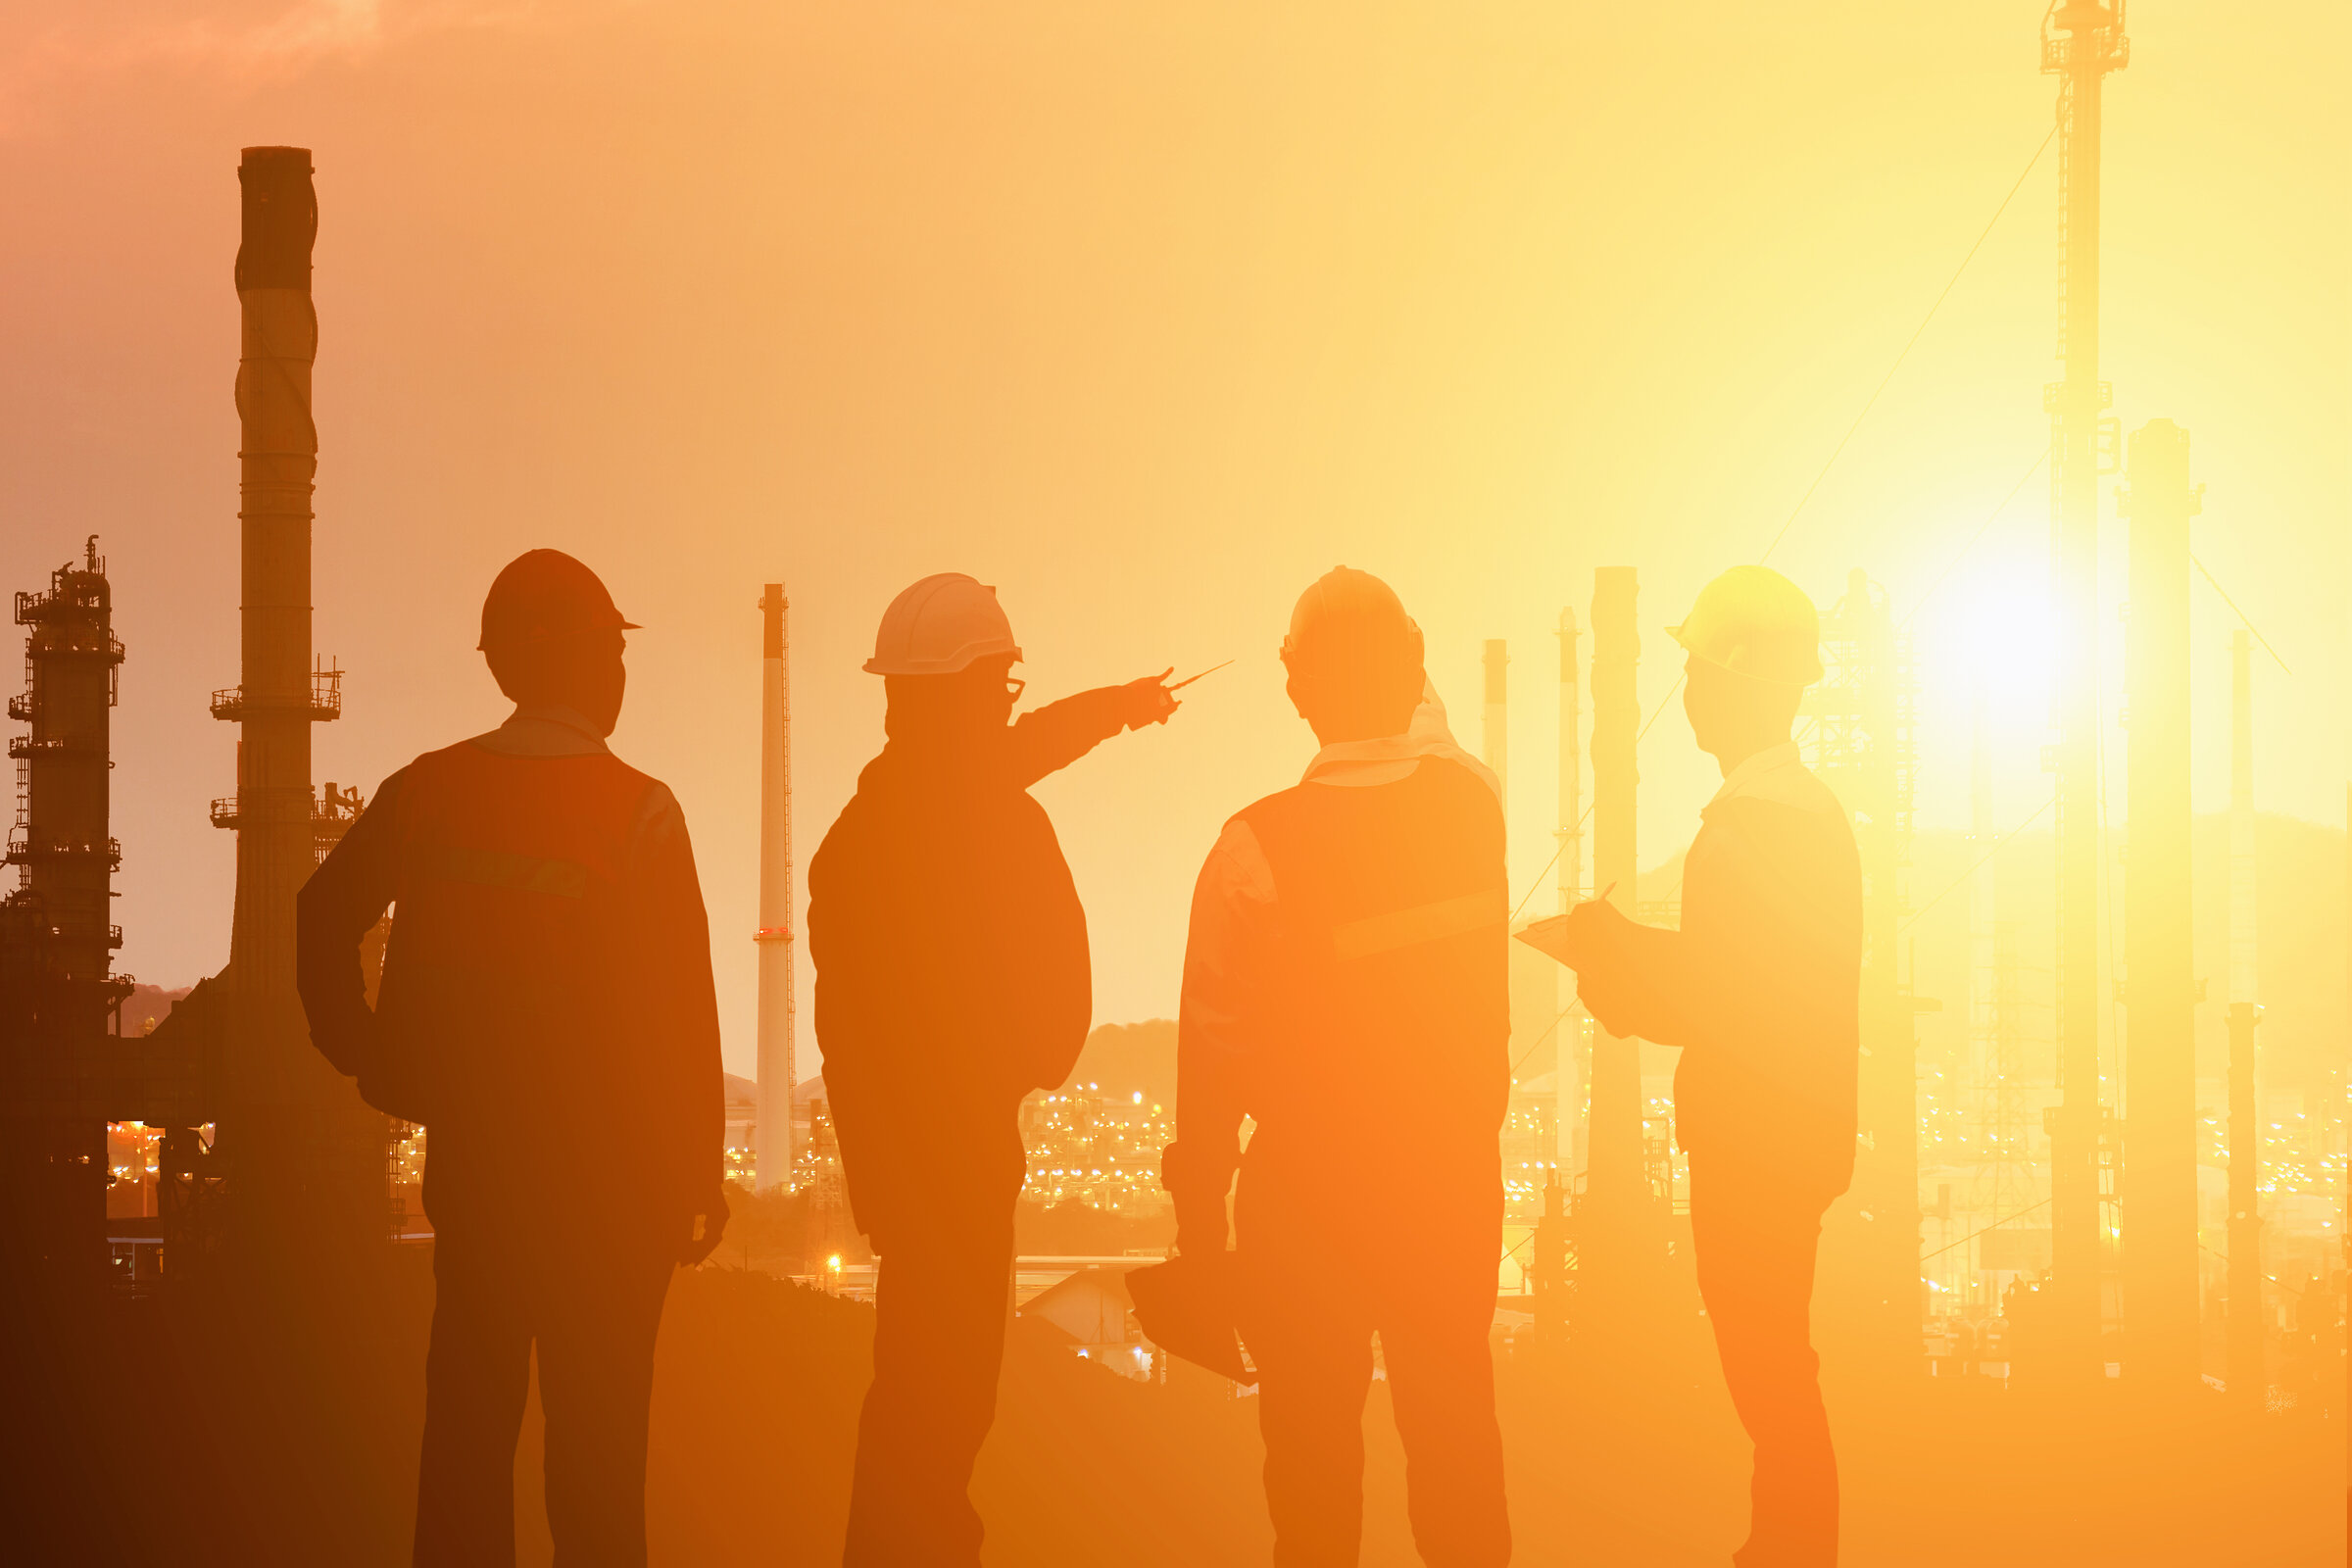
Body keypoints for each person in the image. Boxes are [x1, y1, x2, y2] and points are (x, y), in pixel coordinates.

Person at [296, 549, 727, 1568]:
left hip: (481, 1180)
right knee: (598, 1470)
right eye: (613, 649)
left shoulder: (428, 791)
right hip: (615, 1201)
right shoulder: (641, 812)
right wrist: (696, 1171)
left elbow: (320, 915)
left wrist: (366, 1052)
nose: (623, 671)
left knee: (464, 1449)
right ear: (580, 661)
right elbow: (683, 1015)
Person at [808, 571, 1182, 1567]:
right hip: (966, 1162)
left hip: (902, 1175)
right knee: (950, 1400)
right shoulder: (997, 822)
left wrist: (1118, 708)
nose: (1006, 704)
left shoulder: (853, 846)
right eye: (998, 685)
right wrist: (1027, 1064)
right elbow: (1057, 996)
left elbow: (841, 1036)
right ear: (969, 691)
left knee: (910, 1396)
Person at [1160, 566, 1512, 1568]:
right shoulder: (1471, 812)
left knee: (1311, 1488)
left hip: (1306, 1208)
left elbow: (1210, 1063)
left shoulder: (1251, 849)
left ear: (1295, 691)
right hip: (1445, 1194)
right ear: (1414, 675)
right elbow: (1436, 747)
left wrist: (1199, 1239)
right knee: (1458, 1468)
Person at [1535, 564, 1860, 1568]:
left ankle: (1789, 1553)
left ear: (1740, 681)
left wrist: (1612, 962)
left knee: (1768, 1378)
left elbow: (1724, 993)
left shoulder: (1756, 827)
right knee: (1775, 1372)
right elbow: (1754, 981)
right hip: (1789, 1135)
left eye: (1696, 671)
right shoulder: (1802, 818)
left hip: (1755, 1145)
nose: (1686, 693)